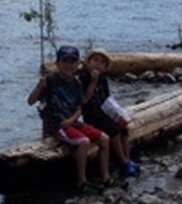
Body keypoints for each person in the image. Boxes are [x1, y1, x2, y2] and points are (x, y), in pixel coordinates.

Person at [27, 45, 111, 191]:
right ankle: (81, 181)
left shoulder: (76, 82)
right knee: (83, 141)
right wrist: (39, 87)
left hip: (71, 122)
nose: (68, 65)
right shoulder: (50, 80)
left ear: (77, 64)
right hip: (56, 125)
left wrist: (72, 120)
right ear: (57, 63)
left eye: (72, 61)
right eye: (65, 61)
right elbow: (31, 101)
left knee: (104, 139)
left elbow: (80, 106)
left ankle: (105, 177)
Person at [77, 48, 140, 177]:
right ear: (88, 63)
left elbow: (107, 100)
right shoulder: (83, 78)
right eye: (95, 60)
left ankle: (127, 159)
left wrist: (119, 114)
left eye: (101, 63)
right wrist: (93, 81)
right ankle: (122, 162)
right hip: (91, 116)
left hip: (104, 112)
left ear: (105, 67)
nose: (97, 64)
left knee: (124, 127)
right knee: (113, 130)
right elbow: (84, 100)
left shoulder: (103, 79)